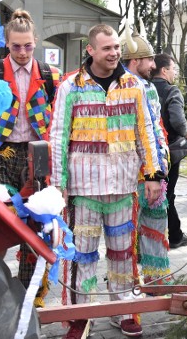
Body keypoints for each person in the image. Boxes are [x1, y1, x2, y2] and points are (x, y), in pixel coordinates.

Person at [50, 24, 162, 339]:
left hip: (124, 186)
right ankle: (79, 316)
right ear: (91, 50)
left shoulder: (134, 86)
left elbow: (146, 133)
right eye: (107, 48)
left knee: (122, 252)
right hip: (83, 188)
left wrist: (153, 174)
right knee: (82, 253)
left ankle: (124, 309)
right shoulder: (70, 87)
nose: (113, 53)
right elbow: (58, 136)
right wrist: (58, 185)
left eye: (116, 47)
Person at [0, 9, 60, 307]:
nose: (22, 52)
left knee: (38, 223)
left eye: (28, 45)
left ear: (36, 42)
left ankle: (30, 292)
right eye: (16, 46)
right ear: (6, 43)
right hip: (0, 154)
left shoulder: (48, 75)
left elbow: (57, 118)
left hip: (37, 152)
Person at [120, 31, 171, 284]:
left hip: (155, 172)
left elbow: (156, 127)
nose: (154, 65)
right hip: (130, 174)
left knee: (156, 225)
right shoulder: (120, 87)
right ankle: (127, 280)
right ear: (134, 61)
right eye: (149, 59)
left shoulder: (149, 87)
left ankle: (155, 277)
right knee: (126, 230)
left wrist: (161, 164)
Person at [150, 53, 187, 249]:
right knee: (168, 194)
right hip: (168, 151)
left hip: (147, 149)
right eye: (173, 68)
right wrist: (186, 131)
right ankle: (174, 235)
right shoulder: (171, 91)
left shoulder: (145, 87)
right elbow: (176, 119)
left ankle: (158, 236)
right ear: (164, 70)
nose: (175, 72)